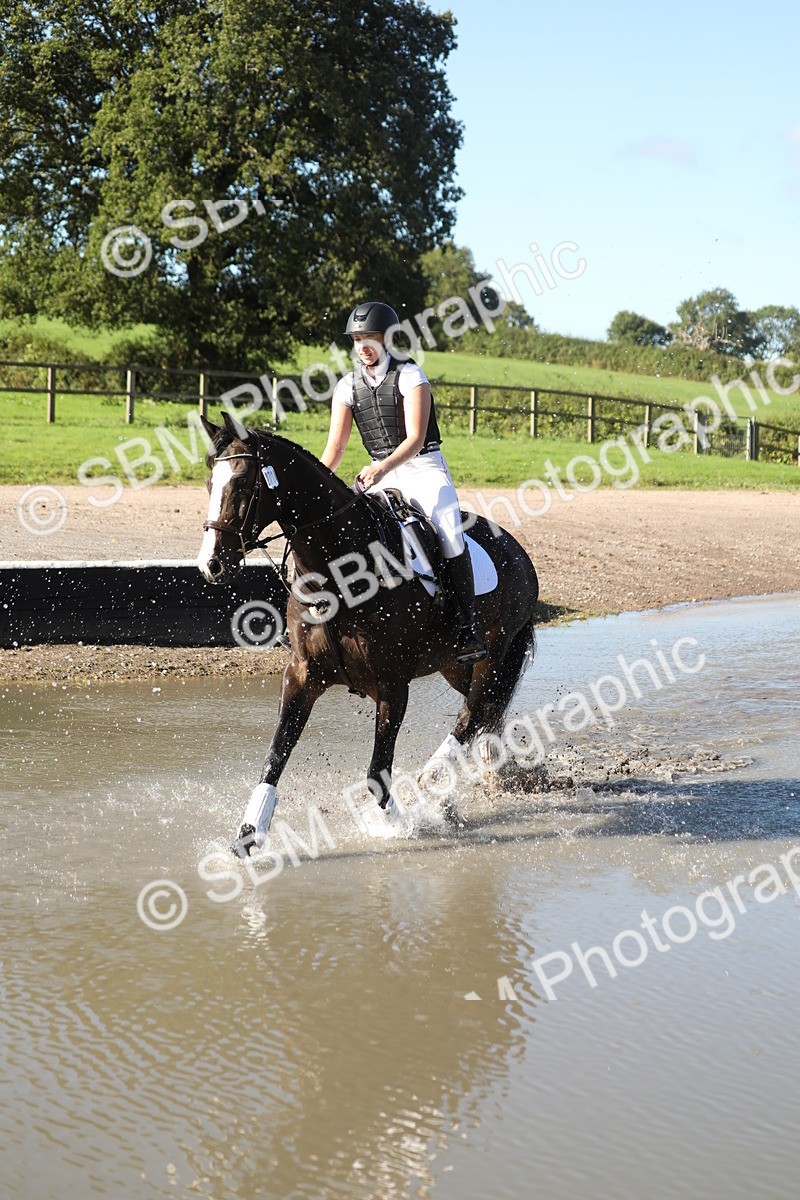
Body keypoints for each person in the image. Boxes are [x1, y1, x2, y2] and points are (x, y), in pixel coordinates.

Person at [321, 300, 487, 664]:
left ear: (388, 338)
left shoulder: (411, 376)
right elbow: (335, 448)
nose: (362, 345)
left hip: (423, 466)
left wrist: (382, 469)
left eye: (370, 337)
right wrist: (318, 483)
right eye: (356, 339)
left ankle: (465, 627)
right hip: (379, 471)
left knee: (449, 531)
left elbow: (414, 439)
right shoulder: (347, 386)